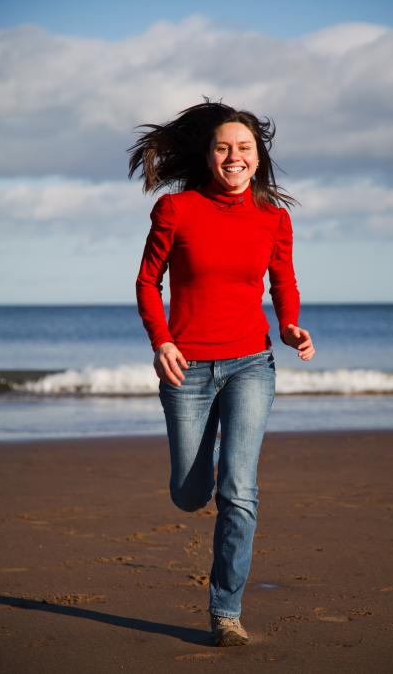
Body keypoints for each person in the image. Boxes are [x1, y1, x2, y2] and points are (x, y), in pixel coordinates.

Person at [128, 99, 316, 647]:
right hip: (186, 367)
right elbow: (146, 282)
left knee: (239, 490)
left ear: (258, 160)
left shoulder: (274, 219)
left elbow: (283, 281)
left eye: (245, 149)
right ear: (208, 155)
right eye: (223, 147)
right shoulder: (176, 210)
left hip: (251, 364)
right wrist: (160, 340)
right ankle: (200, 472)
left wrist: (289, 325)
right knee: (190, 494)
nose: (234, 157)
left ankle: (225, 612)